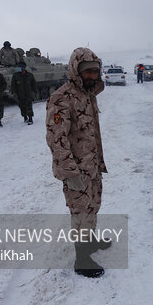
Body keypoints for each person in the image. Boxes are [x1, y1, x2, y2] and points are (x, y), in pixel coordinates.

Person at [45, 47, 110, 278]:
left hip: (92, 166)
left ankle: (89, 242)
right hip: (77, 170)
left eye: (95, 71)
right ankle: (82, 259)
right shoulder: (62, 98)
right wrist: (70, 173)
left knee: (93, 205)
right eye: (88, 72)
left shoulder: (87, 95)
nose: (93, 76)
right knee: (81, 212)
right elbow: (57, 139)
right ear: (76, 70)